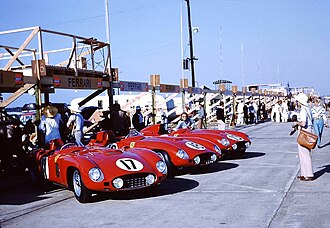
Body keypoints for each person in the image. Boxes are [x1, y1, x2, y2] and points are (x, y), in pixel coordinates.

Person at [293, 93, 314, 181]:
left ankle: (308, 174)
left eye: (297, 101)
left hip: (304, 132)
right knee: (304, 153)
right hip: (308, 131)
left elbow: (303, 123)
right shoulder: (308, 109)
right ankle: (304, 173)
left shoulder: (302, 110)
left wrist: (296, 123)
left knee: (304, 153)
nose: (296, 102)